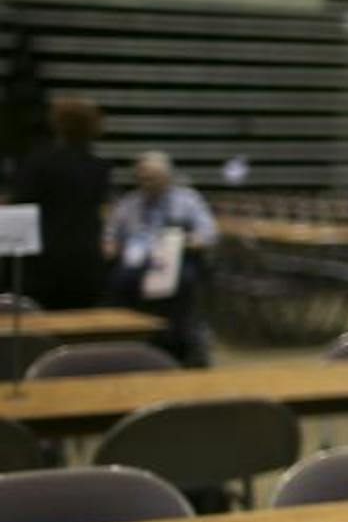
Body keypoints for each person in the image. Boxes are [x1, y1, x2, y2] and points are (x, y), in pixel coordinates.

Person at [104, 150, 219, 365]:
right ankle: (128, 340)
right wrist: (110, 246)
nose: (147, 183)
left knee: (182, 283)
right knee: (118, 281)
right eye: (143, 178)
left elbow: (209, 234)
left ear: (167, 177)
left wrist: (185, 241)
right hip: (136, 262)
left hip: (174, 260)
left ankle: (177, 343)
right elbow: (111, 235)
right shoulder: (128, 203)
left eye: (153, 178)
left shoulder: (188, 200)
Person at [4, 96, 111, 309]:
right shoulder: (99, 168)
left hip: (43, 262)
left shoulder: (38, 163)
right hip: (85, 261)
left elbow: (21, 207)